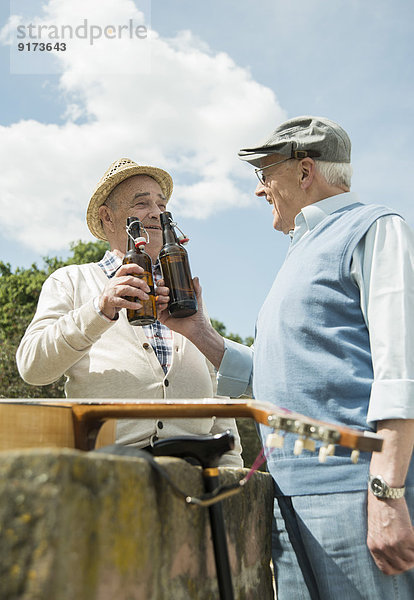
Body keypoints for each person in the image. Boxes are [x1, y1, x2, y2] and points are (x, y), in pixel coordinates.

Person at [156, 117, 414, 599]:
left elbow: (402, 369)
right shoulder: (298, 252)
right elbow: (280, 379)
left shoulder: (375, 228)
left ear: (304, 171)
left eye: (264, 173)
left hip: (354, 492)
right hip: (288, 494)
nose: (259, 190)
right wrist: (198, 332)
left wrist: (387, 494)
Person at [16, 158, 242, 467]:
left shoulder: (183, 292)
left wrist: (230, 470)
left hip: (194, 475)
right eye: (141, 203)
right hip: (109, 475)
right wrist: (100, 309)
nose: (156, 212)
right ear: (108, 218)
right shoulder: (71, 281)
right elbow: (32, 367)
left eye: (161, 205)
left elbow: (217, 390)